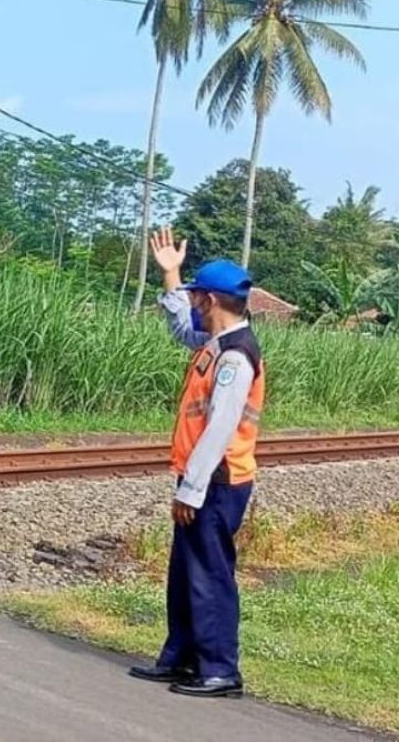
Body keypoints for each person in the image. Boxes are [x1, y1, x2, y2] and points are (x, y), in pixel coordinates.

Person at [128, 228, 265, 699]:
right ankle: (183, 658)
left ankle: (220, 669)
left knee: (209, 574)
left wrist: (191, 490)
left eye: (195, 297)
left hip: (218, 479)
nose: (194, 305)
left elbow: (220, 428)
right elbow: (182, 329)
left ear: (209, 300)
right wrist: (171, 275)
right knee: (186, 572)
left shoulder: (235, 357)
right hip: (205, 476)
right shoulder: (216, 340)